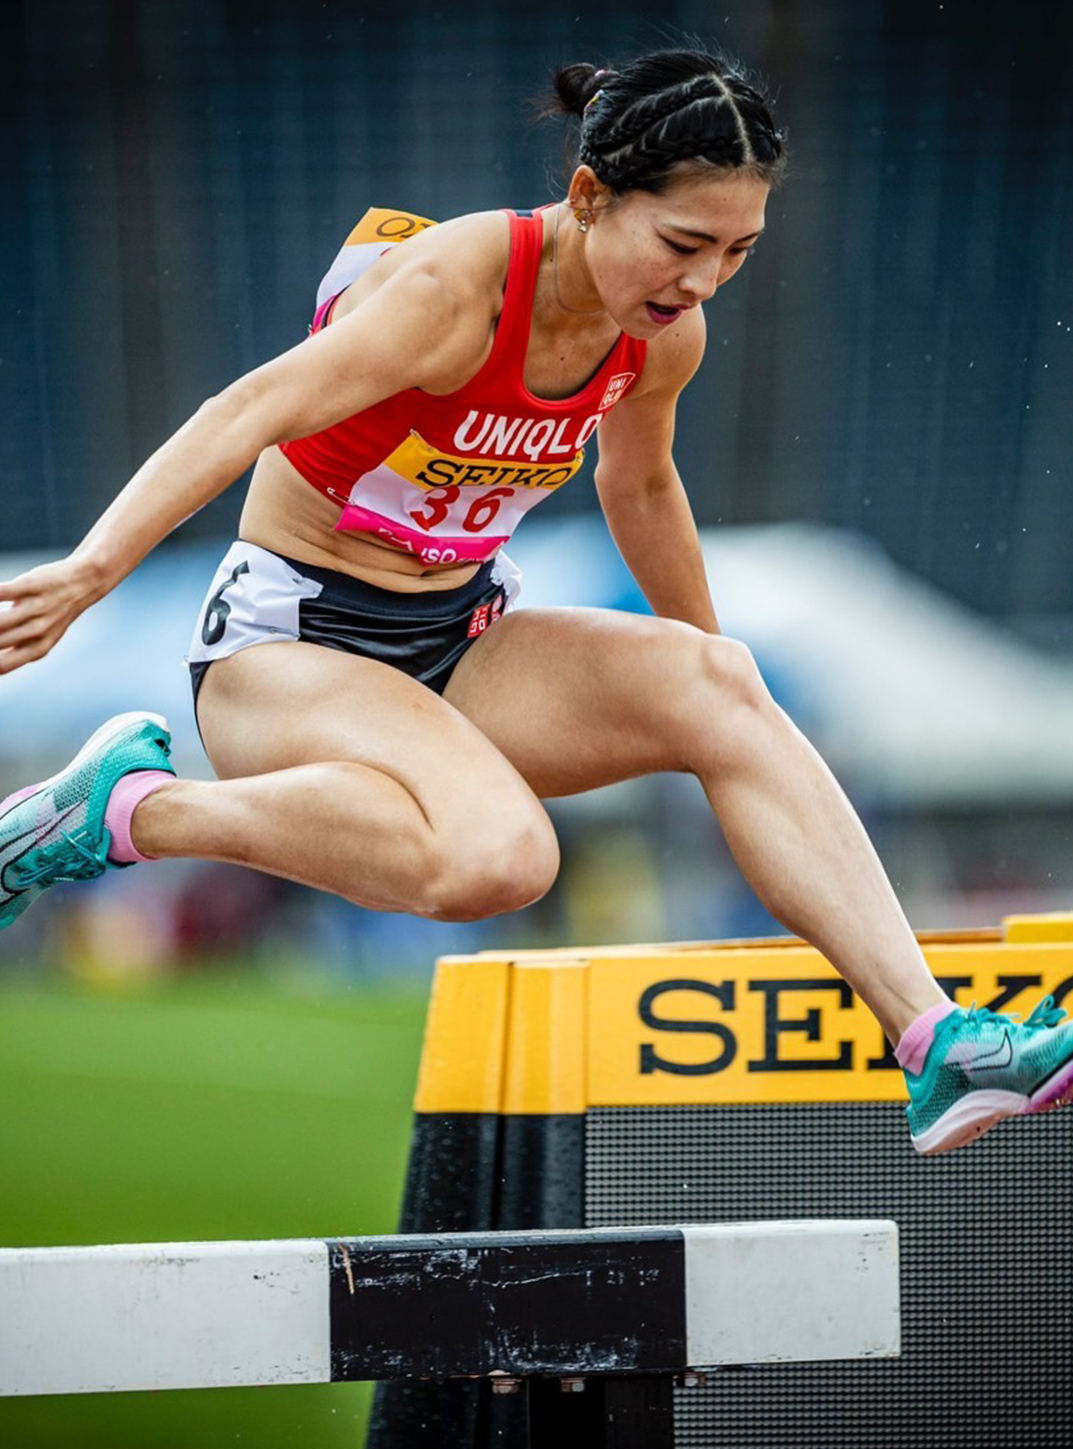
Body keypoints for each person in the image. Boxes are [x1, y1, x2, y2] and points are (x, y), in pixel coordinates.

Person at [1, 46, 1070, 1154]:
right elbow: (246, 407)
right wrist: (90, 571)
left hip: (460, 641)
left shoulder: (658, 335)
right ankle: (123, 810)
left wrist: (712, 695)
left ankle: (935, 1042)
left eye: (737, 251)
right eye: (681, 244)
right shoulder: (453, 292)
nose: (700, 282)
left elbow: (640, 484)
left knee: (724, 679)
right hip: (292, 645)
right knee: (501, 861)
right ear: (588, 197)